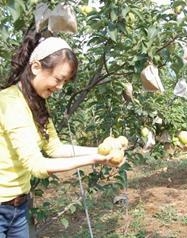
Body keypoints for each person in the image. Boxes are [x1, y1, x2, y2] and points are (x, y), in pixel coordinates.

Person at [0, 31, 124, 238]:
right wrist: (94, 159)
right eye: (58, 79)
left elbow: (55, 148)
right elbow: (37, 166)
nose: (60, 87)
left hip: (18, 207)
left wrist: (100, 150)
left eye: (65, 82)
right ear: (36, 67)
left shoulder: (36, 103)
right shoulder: (10, 103)